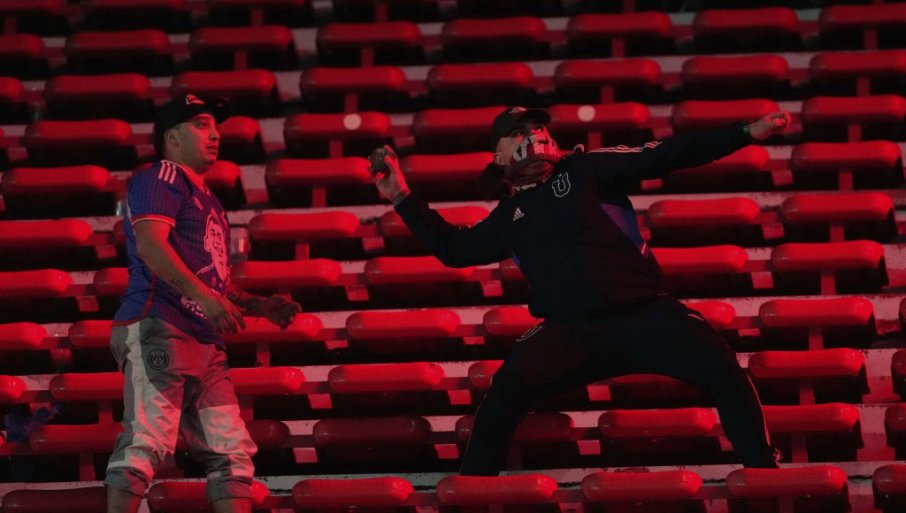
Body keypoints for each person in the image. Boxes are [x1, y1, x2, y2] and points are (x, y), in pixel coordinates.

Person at [371, 106, 792, 475]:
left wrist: (745, 132)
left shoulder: (585, 168)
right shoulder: (508, 215)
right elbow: (454, 249)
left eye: (537, 127)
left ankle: (762, 470)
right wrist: (401, 196)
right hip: (569, 331)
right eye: (518, 131)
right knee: (504, 392)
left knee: (720, 363)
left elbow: (667, 153)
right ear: (498, 156)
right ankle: (473, 492)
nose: (534, 135)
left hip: (646, 313)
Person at [105, 94, 302, 513]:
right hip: (160, 323)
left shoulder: (209, 199)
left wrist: (258, 306)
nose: (214, 134)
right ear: (172, 137)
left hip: (202, 339)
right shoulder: (161, 176)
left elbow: (213, 280)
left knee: (231, 451)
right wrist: (205, 298)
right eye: (200, 124)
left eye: (215, 126)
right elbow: (151, 246)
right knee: (147, 440)